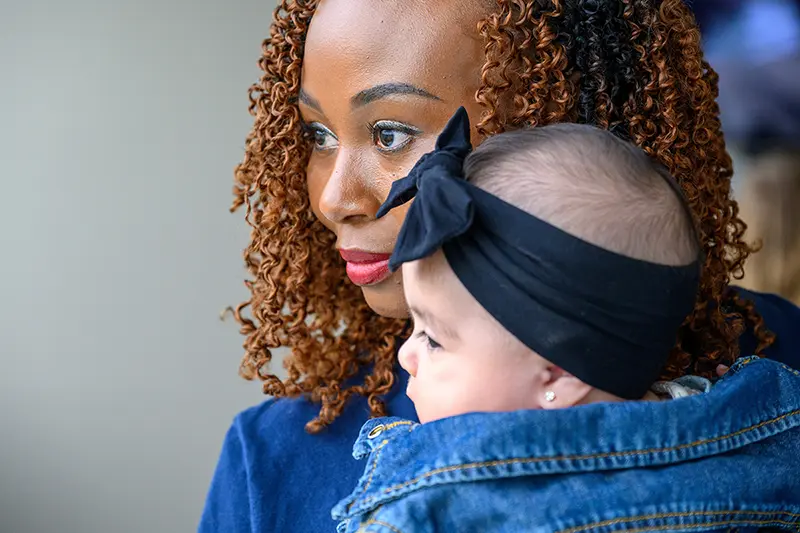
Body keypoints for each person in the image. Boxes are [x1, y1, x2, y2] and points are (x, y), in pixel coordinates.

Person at [199, 1, 800, 531]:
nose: (334, 198)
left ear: (559, 115)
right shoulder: (272, 460)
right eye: (319, 136)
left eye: (389, 134)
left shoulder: (787, 364)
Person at [332, 109, 800, 532]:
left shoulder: (435, 504)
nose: (405, 354)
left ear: (559, 372)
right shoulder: (764, 429)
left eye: (433, 338)